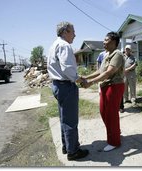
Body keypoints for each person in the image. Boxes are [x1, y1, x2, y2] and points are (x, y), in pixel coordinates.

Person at [47, 21, 89, 160]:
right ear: (65, 32)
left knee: (64, 119)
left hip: (58, 85)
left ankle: (67, 146)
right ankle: (73, 151)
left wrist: (76, 77)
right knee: (70, 120)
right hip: (66, 85)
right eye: (73, 31)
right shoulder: (64, 45)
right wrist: (79, 79)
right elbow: (68, 69)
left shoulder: (54, 44)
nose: (75, 35)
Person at [81, 31, 125, 152]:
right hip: (105, 86)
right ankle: (115, 132)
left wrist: (91, 83)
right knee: (103, 112)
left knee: (111, 114)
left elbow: (108, 72)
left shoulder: (117, 54)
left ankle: (114, 141)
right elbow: (100, 72)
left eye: (106, 40)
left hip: (114, 86)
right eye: (104, 40)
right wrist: (86, 77)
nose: (104, 42)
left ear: (114, 42)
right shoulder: (107, 54)